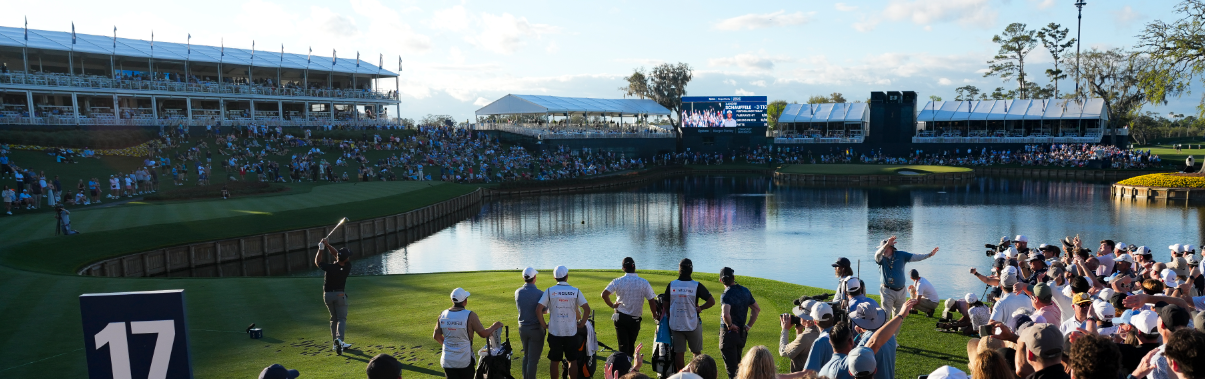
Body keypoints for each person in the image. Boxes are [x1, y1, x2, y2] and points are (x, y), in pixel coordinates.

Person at [434, 288, 504, 379]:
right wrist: (495, 325)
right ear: (465, 301)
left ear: (452, 300)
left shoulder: (442, 314)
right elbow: (483, 334)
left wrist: (447, 345)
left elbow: (436, 335)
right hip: (464, 360)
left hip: (447, 360)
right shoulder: (470, 315)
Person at [535, 265, 591, 379]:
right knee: (572, 360)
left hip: (555, 332)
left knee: (555, 360)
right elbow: (587, 309)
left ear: (554, 278)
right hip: (571, 332)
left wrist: (544, 324)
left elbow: (538, 309)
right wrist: (582, 323)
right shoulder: (575, 291)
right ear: (567, 276)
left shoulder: (550, 291)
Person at [663, 258, 716, 372]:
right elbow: (712, 301)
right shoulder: (696, 285)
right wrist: (700, 308)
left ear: (679, 270)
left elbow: (665, 304)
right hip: (692, 323)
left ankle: (681, 376)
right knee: (696, 353)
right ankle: (696, 375)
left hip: (676, 324)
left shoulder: (672, 285)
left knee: (679, 353)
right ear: (691, 270)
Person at [602, 257, 658, 357]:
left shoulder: (617, 281)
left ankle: (624, 368)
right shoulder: (643, 282)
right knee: (630, 345)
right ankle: (628, 367)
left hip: (620, 317)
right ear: (634, 267)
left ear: (623, 268)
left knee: (623, 345)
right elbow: (651, 300)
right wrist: (654, 315)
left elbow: (604, 294)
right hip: (635, 319)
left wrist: (612, 305)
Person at [875, 236, 938, 318]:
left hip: (901, 291)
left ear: (892, 248)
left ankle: (894, 331)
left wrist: (929, 255)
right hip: (887, 291)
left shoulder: (901, 255)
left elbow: (915, 256)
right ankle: (883, 330)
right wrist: (886, 245)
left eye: (887, 248)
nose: (884, 250)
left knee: (899, 317)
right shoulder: (881, 258)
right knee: (885, 315)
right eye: (883, 248)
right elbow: (877, 255)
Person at [718, 267, 760, 379]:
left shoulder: (726, 294)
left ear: (721, 280)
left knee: (733, 371)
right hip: (741, 333)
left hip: (728, 334)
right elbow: (756, 309)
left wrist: (730, 325)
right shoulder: (745, 291)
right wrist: (748, 326)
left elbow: (726, 314)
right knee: (739, 366)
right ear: (734, 278)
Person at [314, 237, 353, 355]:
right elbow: (337, 255)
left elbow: (318, 262)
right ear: (346, 258)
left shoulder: (330, 268)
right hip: (340, 295)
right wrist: (327, 245)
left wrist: (322, 248)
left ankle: (335, 343)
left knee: (333, 319)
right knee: (341, 319)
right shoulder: (347, 266)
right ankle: (340, 341)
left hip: (328, 295)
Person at [515, 267, 547, 379]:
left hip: (522, 329)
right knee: (533, 360)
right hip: (535, 329)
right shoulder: (540, 294)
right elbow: (545, 310)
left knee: (526, 356)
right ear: (534, 278)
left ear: (524, 278)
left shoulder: (517, 292)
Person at [779, 300, 827, 371]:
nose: (797, 316)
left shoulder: (805, 337)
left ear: (807, 319)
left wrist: (785, 329)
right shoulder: (823, 331)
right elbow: (802, 348)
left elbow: (783, 351)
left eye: (801, 315)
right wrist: (799, 331)